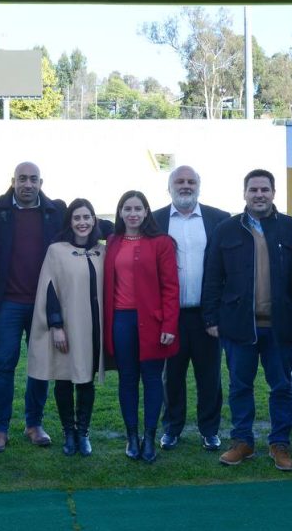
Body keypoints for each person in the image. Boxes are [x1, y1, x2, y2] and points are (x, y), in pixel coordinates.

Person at [202, 169, 292, 471]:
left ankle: (280, 443)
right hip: (238, 326)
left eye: (265, 189)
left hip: (280, 327)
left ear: (274, 193)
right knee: (239, 387)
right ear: (244, 194)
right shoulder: (226, 229)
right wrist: (211, 317)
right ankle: (242, 442)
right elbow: (212, 277)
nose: (259, 194)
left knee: (281, 387)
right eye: (253, 189)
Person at [0, 162, 65, 452]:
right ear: (13, 181)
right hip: (8, 304)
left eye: (33, 179)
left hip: (43, 303)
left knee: (40, 365)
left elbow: (87, 223)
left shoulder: (56, 210)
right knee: (3, 364)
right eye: (22, 179)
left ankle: (34, 423)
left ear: (41, 181)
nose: (27, 184)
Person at [153, 166, 229, 452]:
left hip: (207, 316)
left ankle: (209, 430)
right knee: (171, 376)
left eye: (191, 181)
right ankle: (172, 428)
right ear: (169, 186)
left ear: (199, 185)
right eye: (179, 181)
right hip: (170, 316)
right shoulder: (156, 220)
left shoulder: (219, 219)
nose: (185, 186)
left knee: (209, 376)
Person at [103, 190, 180, 464]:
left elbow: (171, 287)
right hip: (121, 321)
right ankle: (132, 436)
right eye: (127, 209)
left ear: (146, 212)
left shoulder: (161, 243)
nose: (133, 213)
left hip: (153, 322)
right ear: (120, 212)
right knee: (127, 379)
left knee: (151, 379)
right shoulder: (112, 242)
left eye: (138, 208)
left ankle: (149, 437)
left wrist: (170, 324)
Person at [27, 199, 106, 457]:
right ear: (69, 222)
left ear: (94, 220)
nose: (82, 222)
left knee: (86, 380)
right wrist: (56, 325)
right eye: (77, 218)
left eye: (87, 217)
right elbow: (49, 288)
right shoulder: (57, 250)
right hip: (67, 326)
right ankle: (68, 433)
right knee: (63, 378)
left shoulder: (101, 251)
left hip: (92, 327)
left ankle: (83, 432)